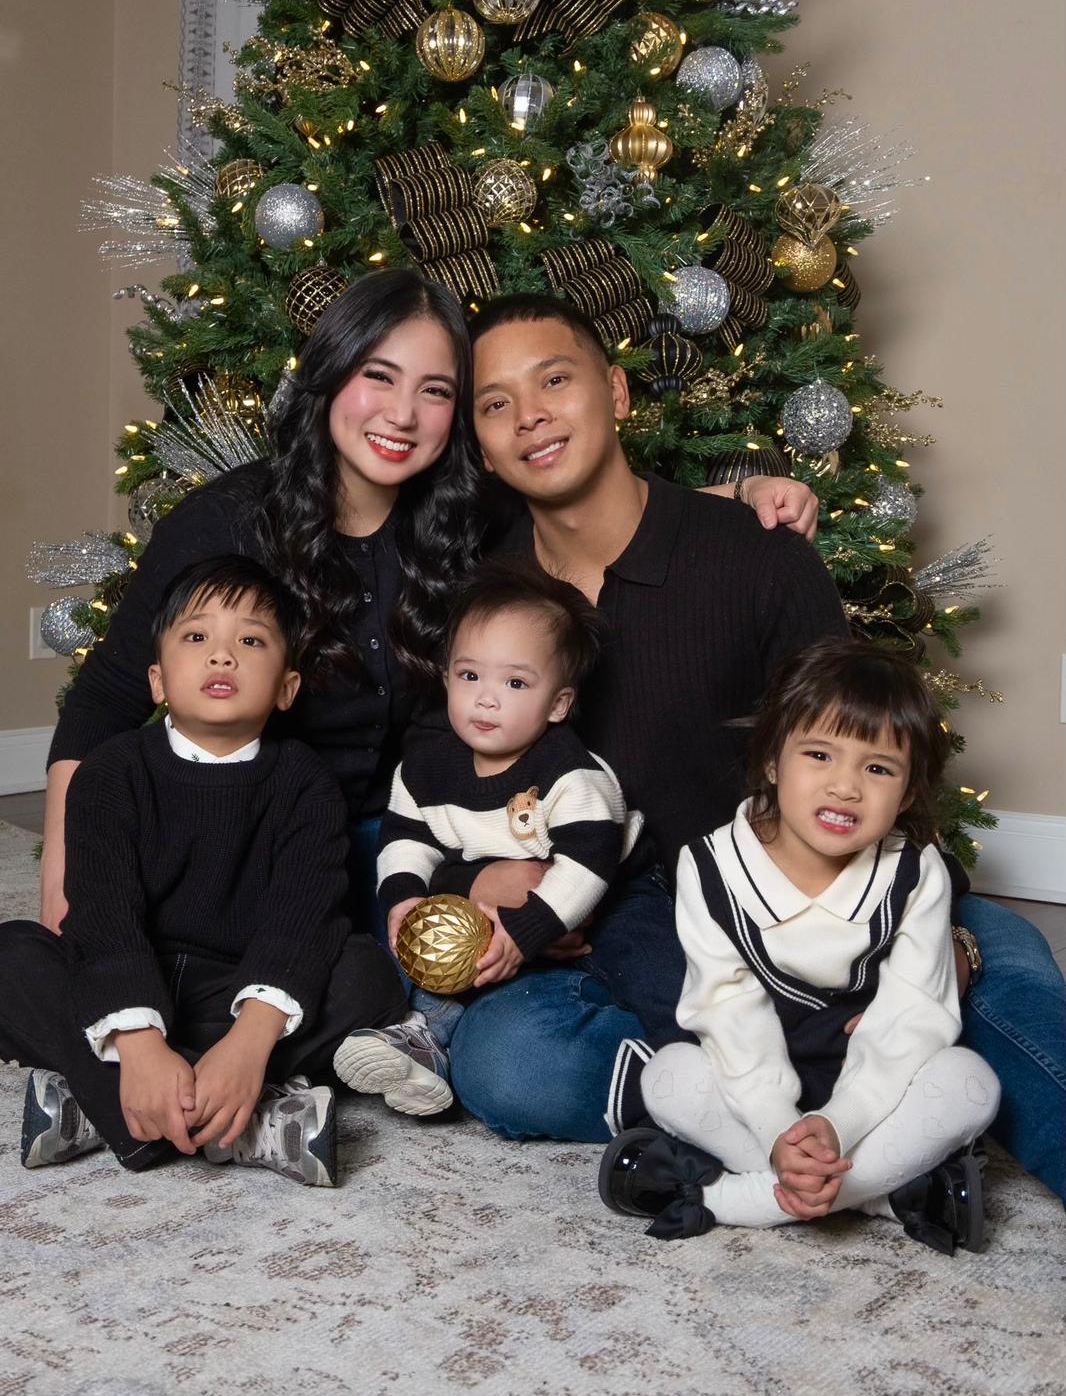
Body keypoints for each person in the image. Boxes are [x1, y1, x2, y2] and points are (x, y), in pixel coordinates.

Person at [40, 269, 810, 1094]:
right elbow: (106, 701)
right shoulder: (226, 522)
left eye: (436, 391)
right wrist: (63, 876)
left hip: (409, 835)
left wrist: (740, 495)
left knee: (425, 988)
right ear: (330, 373)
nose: (402, 415)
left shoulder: (465, 517)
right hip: (255, 835)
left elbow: (588, 506)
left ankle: (715, 1055)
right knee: (223, 983)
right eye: (379, 376)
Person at [439, 293, 1065, 1207]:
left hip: (818, 890)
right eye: (496, 403)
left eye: (555, 381)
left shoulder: (754, 554)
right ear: (482, 443)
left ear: (616, 392)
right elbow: (454, 771)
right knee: (508, 1063)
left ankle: (803, 1111)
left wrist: (931, 931)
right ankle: (848, 1130)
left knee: (997, 974)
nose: (529, 415)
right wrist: (488, 877)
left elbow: (858, 747)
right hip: (637, 930)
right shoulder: (492, 594)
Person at [0, 555, 435, 1186]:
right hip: (130, 970)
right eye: (197, 636)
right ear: (157, 681)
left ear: (286, 688)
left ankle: (111, 1101)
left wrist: (249, 1045)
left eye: (250, 642)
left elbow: (301, 918)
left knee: (366, 973)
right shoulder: (110, 773)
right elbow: (104, 916)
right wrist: (140, 1045)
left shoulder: (305, 783)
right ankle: (233, 1119)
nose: (222, 656)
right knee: (13, 957)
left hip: (238, 988)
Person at [599, 639, 1001, 1254]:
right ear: (771, 761)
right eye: (819, 755)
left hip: (873, 1092)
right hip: (754, 1090)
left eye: (878, 769)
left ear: (907, 794)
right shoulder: (710, 866)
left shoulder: (916, 872)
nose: (845, 787)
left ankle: (730, 1200)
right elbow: (728, 1014)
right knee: (668, 1076)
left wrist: (838, 1123)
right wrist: (779, 1132)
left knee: (970, 1083)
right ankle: (886, 1195)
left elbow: (913, 1018)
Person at [347, 561, 641, 1084]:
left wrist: (525, 933)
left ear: (558, 704)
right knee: (404, 955)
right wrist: (404, 898)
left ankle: (684, 1048)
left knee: (651, 970)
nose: (486, 697)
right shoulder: (424, 769)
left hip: (609, 897)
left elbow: (587, 866)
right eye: (469, 675)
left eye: (515, 682)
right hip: (494, 906)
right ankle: (425, 1037)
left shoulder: (570, 774)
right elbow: (406, 839)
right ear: (446, 678)